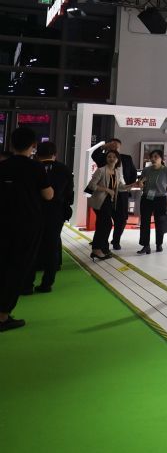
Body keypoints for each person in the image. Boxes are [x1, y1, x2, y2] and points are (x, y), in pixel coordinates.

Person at [0, 127, 53, 331]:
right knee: (18, 268)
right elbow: (48, 195)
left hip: (4, 222)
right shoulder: (36, 168)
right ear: (33, 145)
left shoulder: (3, 166)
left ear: (11, 144)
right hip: (27, 224)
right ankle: (3, 315)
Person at [23, 142, 73, 294]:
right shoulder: (64, 169)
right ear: (54, 154)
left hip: (33, 212)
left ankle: (27, 284)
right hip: (56, 213)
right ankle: (47, 284)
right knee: (52, 247)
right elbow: (69, 194)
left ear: (37, 154)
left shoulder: (31, 167)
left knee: (31, 247)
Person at [91, 138, 137, 250]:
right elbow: (94, 155)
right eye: (112, 146)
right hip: (105, 195)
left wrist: (129, 186)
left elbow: (133, 173)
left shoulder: (126, 159)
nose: (115, 148)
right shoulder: (104, 159)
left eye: (117, 146)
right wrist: (104, 147)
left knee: (121, 219)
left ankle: (115, 241)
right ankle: (101, 243)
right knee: (104, 221)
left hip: (122, 193)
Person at [86, 150, 128, 261]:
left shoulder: (117, 172)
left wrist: (133, 185)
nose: (111, 158)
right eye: (109, 156)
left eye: (114, 157)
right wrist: (107, 189)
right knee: (105, 224)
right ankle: (97, 249)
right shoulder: (101, 170)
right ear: (106, 158)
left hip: (109, 202)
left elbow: (121, 187)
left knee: (105, 224)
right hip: (100, 202)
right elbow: (91, 185)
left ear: (117, 160)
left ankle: (102, 249)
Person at [135, 149, 167, 254]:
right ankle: (145, 246)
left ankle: (159, 244)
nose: (153, 159)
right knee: (144, 222)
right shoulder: (146, 170)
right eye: (151, 157)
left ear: (162, 158)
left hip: (160, 198)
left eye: (156, 157)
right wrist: (140, 183)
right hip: (147, 198)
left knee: (160, 222)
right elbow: (141, 184)